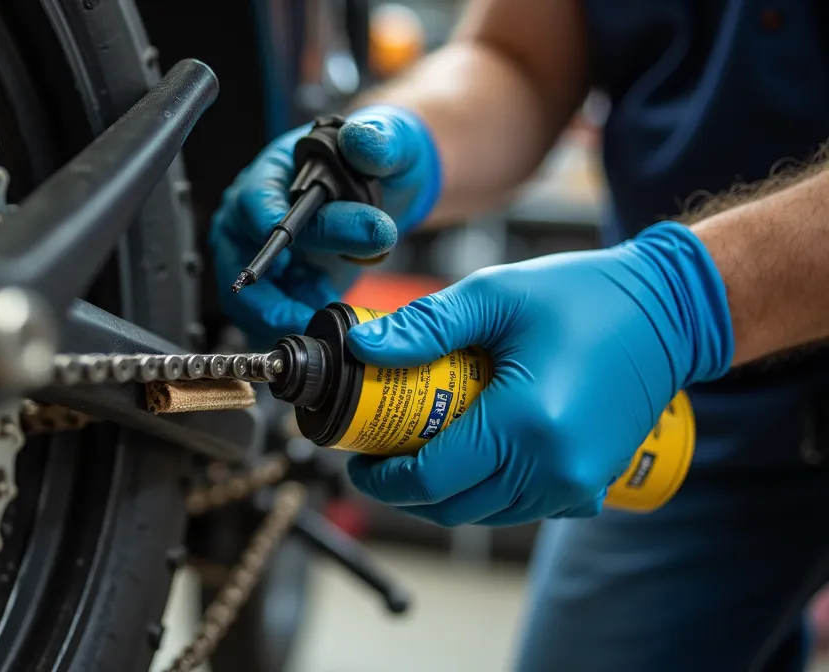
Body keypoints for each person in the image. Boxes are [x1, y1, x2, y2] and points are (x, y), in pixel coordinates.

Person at [210, 1, 829, 670]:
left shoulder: (681, 306)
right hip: (663, 394)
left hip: (676, 325)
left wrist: (686, 296)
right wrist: (398, 144)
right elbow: (521, 59)